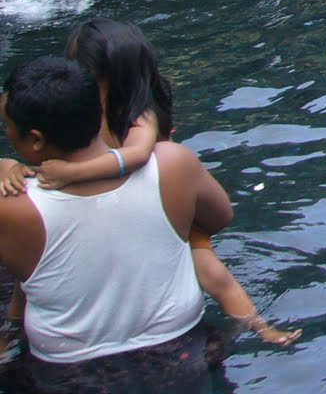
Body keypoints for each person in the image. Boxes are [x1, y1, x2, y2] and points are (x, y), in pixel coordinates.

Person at [0, 20, 298, 346]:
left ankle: (258, 325)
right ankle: (12, 331)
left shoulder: (138, 116)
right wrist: (10, 166)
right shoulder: (82, 117)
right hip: (128, 216)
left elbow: (138, 156)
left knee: (211, 270)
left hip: (159, 210)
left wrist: (73, 174)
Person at [0, 56, 234, 365]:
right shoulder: (173, 164)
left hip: (68, 373)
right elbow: (219, 219)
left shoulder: (11, 204)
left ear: (35, 139)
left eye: (8, 130)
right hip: (182, 352)